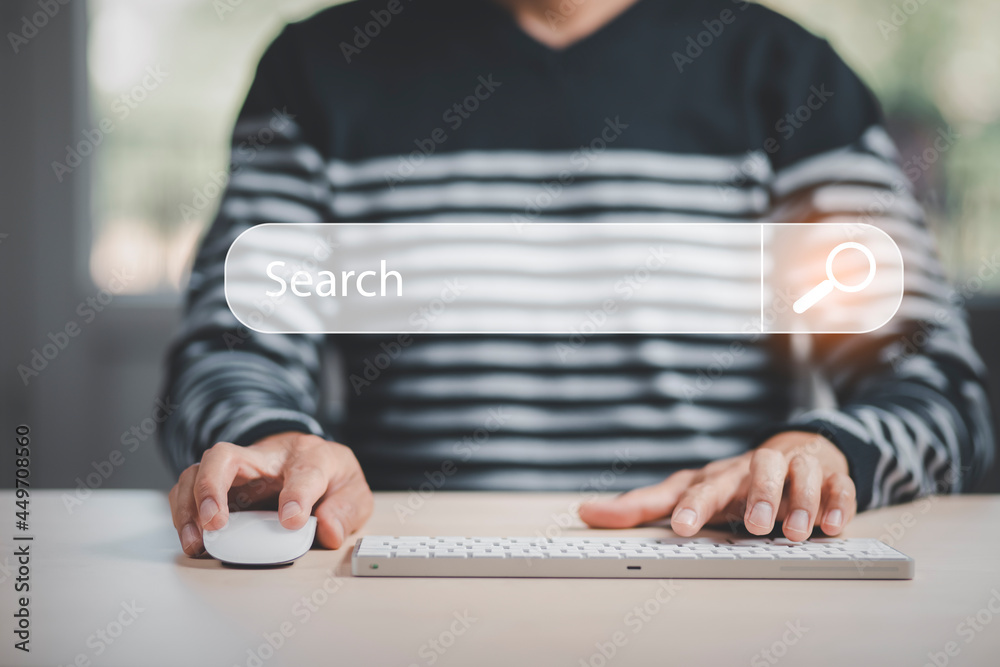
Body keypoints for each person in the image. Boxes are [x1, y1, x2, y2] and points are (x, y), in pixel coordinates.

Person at [162, 0, 994, 556]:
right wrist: (271, 441)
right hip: (391, 584)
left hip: (722, 587)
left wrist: (826, 453)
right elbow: (232, 347)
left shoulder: (791, 78)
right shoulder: (317, 70)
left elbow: (938, 392)